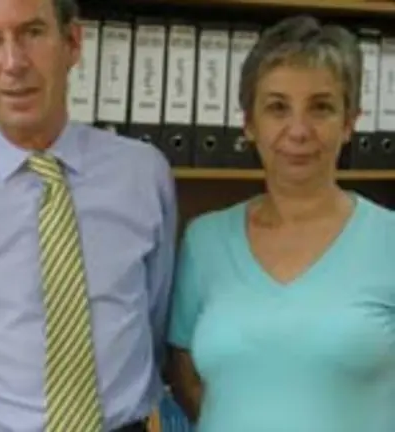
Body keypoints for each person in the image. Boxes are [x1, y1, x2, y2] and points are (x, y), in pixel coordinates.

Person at [0, 0, 177, 431]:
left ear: (73, 43)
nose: (13, 63)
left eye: (32, 33)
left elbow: (152, 319)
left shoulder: (144, 174)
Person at [166, 15, 395, 432]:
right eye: (277, 107)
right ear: (249, 125)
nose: (299, 130)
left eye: (321, 107)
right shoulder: (203, 241)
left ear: (349, 123)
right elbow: (188, 379)